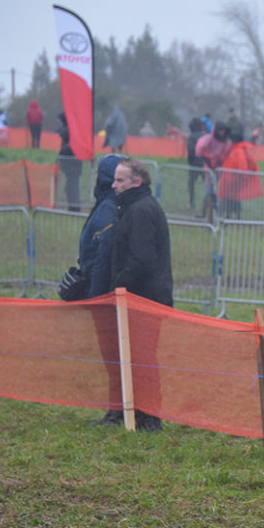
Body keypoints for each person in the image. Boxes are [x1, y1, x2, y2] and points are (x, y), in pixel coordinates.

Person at [110, 157, 173, 432]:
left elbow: (142, 259)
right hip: (140, 295)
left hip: (145, 297)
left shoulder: (141, 210)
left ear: (136, 182)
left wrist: (119, 284)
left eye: (120, 180)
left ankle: (149, 418)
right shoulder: (135, 207)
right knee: (134, 356)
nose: (114, 185)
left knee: (144, 357)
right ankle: (131, 412)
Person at [71, 154, 126, 427]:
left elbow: (102, 256)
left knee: (113, 355)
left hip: (104, 294)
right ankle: (117, 409)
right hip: (100, 288)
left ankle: (117, 411)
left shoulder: (107, 209)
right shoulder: (107, 205)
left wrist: (94, 293)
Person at [218, 123, 263, 219]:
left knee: (229, 201)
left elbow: (242, 168)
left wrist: (237, 179)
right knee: (230, 200)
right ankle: (231, 217)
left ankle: (231, 217)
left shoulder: (238, 151)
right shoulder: (237, 149)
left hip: (232, 182)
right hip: (231, 182)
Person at [195, 121, 233, 222]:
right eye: (221, 131)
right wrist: (208, 162)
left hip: (220, 169)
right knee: (208, 190)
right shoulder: (208, 139)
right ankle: (204, 212)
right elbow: (200, 151)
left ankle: (220, 213)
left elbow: (226, 154)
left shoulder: (225, 142)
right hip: (209, 169)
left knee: (220, 192)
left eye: (224, 131)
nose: (222, 133)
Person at [56, 112, 83, 212]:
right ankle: (73, 206)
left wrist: (61, 151)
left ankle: (74, 207)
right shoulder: (71, 130)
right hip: (73, 165)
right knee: (70, 187)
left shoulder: (67, 131)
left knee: (72, 187)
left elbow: (69, 146)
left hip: (72, 165)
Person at [185, 117, 207, 211]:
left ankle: (192, 203)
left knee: (191, 184)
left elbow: (190, 151)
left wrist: (190, 161)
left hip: (194, 164)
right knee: (207, 185)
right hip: (205, 164)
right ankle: (208, 204)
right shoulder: (205, 136)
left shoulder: (192, 137)